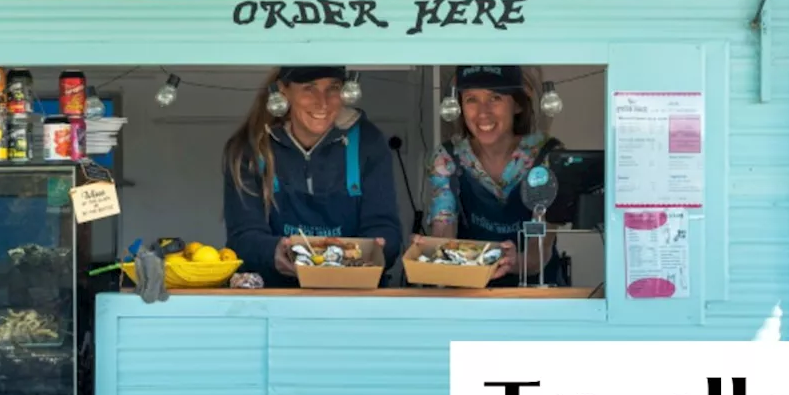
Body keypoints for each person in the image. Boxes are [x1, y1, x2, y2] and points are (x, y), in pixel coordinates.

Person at [222, 66, 403, 289]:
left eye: (333, 88)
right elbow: (242, 237)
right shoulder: (249, 149)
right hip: (274, 295)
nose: (323, 102)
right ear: (283, 90)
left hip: (353, 293)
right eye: (309, 88)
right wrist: (274, 252)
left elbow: (386, 228)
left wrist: (379, 249)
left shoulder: (368, 142)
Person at [423, 65, 564, 287]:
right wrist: (431, 250)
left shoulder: (546, 156)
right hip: (469, 291)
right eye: (471, 99)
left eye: (495, 97)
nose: (482, 112)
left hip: (535, 292)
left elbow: (540, 250)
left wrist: (513, 262)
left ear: (517, 104)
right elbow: (444, 231)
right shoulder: (447, 158)